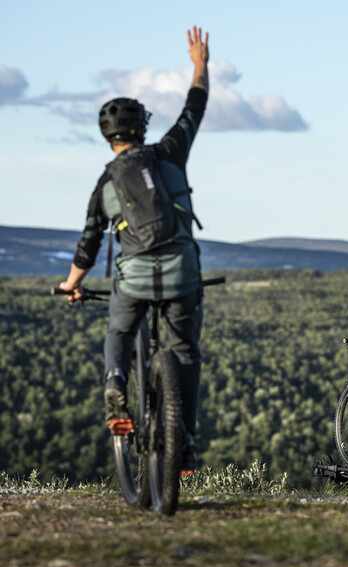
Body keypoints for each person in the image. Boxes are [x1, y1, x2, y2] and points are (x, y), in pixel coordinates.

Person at [58, 27, 210, 471]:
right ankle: (183, 442)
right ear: (142, 128)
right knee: (185, 353)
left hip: (135, 278)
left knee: (120, 332)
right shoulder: (170, 153)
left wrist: (71, 285)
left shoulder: (105, 184)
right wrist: (199, 65)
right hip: (182, 272)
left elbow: (87, 246)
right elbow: (194, 108)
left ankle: (115, 384)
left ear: (108, 138)